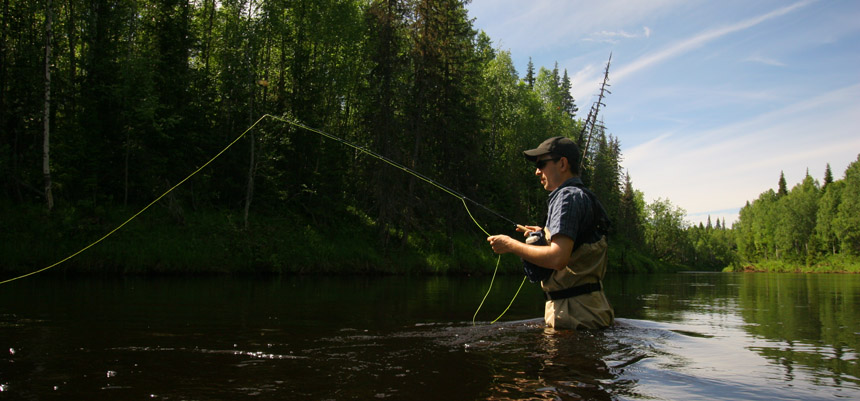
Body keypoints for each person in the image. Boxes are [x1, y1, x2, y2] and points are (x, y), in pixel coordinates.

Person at [487, 136, 614, 330]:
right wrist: (544, 233)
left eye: (542, 164)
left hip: (574, 316)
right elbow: (579, 245)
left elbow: (558, 258)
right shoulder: (583, 195)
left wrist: (511, 245)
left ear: (562, 163)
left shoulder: (567, 197)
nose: (537, 171)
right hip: (590, 312)